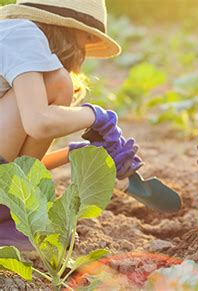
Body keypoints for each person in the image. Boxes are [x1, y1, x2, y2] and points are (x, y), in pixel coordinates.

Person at [0, 0, 142, 250]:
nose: (85, 47)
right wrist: (96, 116)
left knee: (54, 84)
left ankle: (7, 218)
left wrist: (72, 153)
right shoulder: (23, 33)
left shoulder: (12, 36)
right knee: (58, 83)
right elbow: (39, 123)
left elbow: (14, 161)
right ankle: (7, 219)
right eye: (87, 37)